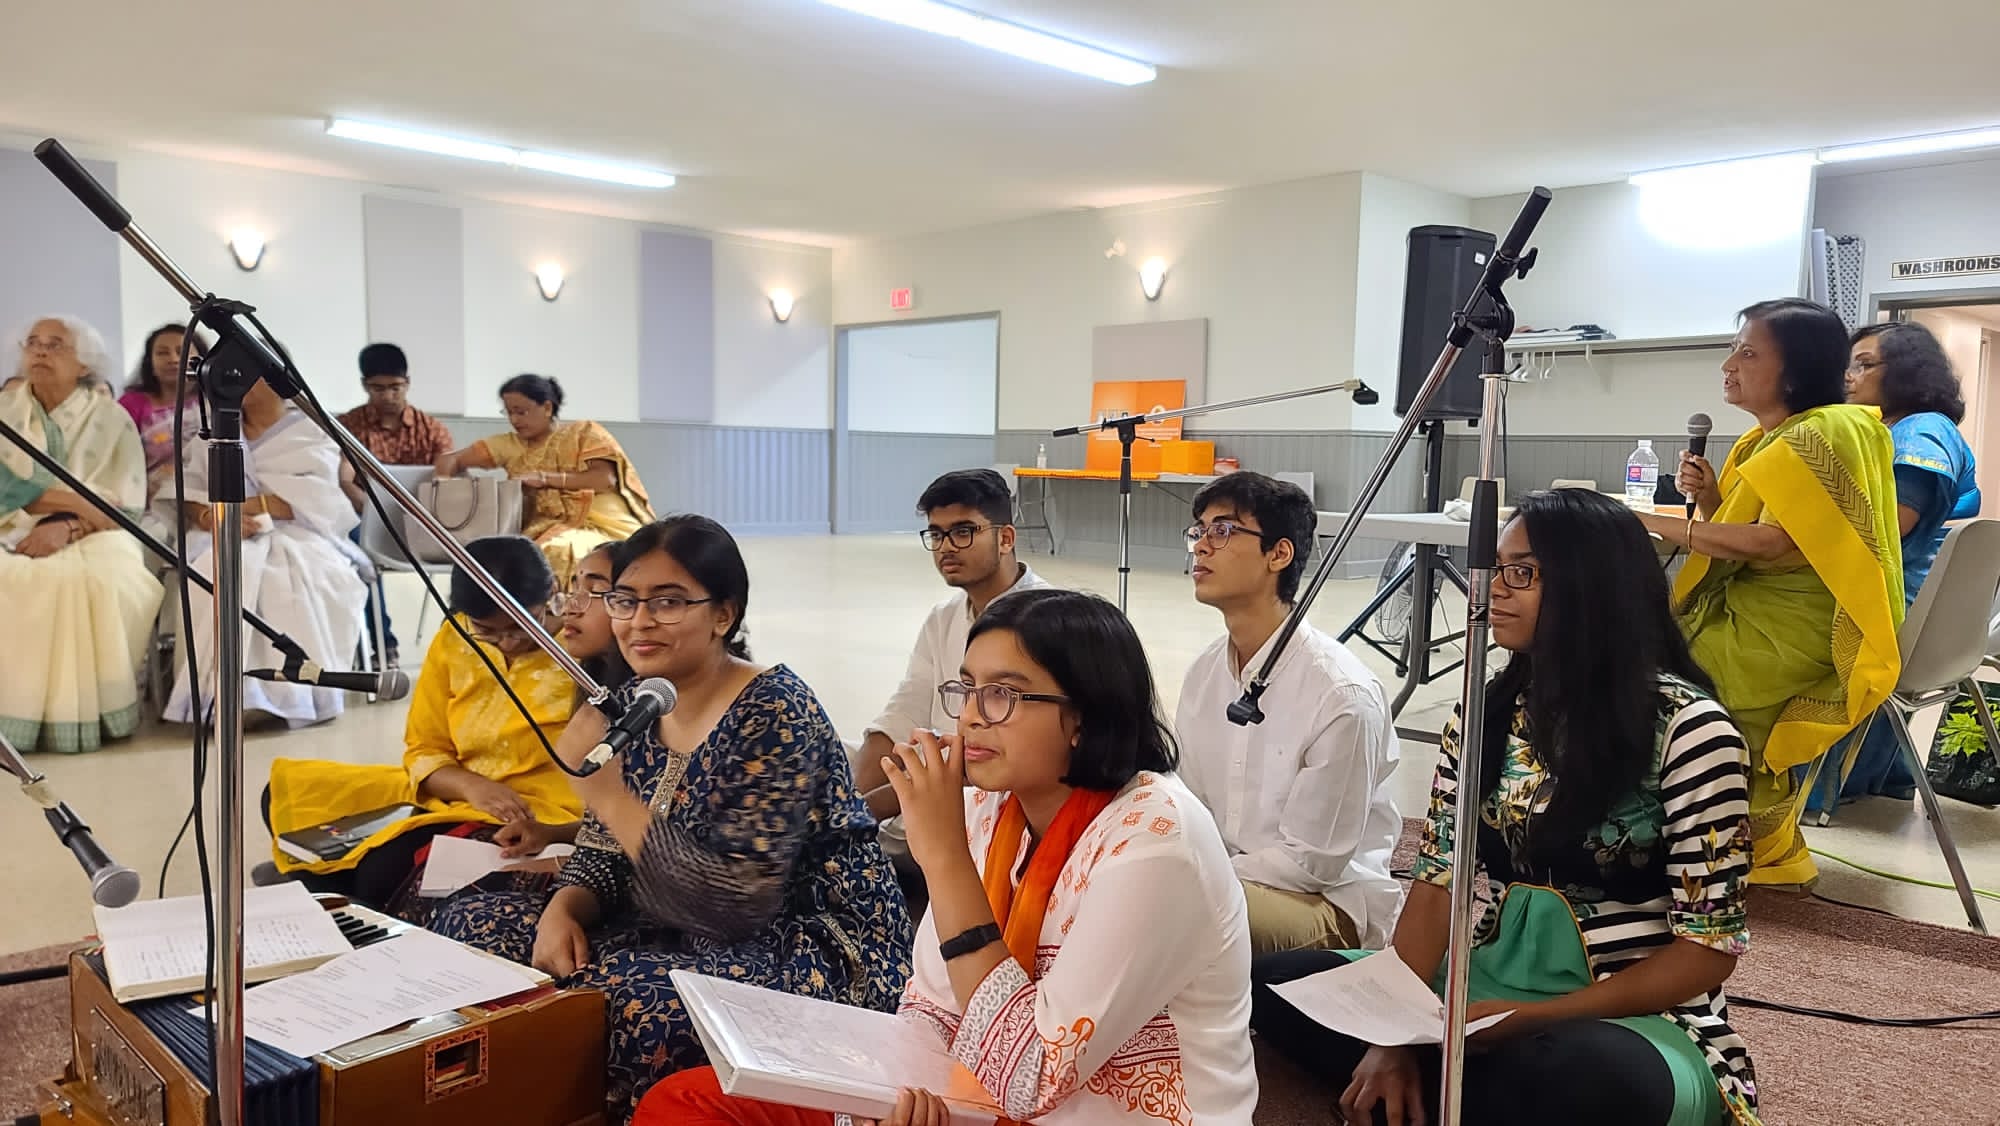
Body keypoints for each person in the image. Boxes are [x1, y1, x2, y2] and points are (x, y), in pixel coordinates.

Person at [641, 587, 1257, 1126]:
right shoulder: (992, 805)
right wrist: (889, 1100)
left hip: (1084, 1112)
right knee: (686, 1102)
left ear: (1082, 717)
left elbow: (1034, 1078)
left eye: (1002, 694)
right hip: (973, 1096)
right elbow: (932, 1006)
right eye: (966, 689)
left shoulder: (1155, 841)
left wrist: (943, 858)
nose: (970, 718)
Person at [1255, 490, 1761, 1126]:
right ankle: (1443, 1083)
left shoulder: (1692, 731)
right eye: (1495, 569)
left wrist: (1527, 1018)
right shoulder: (1483, 712)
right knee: (1273, 984)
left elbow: (1708, 950)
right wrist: (1392, 1034)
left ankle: (1447, 1089)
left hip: (1626, 1015)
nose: (1494, 589)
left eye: (1523, 572)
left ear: (1591, 586)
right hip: (1480, 989)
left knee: (1574, 1078)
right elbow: (1437, 885)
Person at [430, 516, 912, 1124]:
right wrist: (565, 908)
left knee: (634, 998)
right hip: (665, 918)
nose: (639, 621)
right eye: (625, 600)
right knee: (472, 922)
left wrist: (608, 795)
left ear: (723, 615)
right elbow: (602, 849)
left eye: (668, 602)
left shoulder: (775, 711)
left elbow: (734, 905)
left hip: (804, 939)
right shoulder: (638, 700)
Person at [1635, 298, 1902, 887]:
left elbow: (1774, 543)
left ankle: (1710, 841)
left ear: (1796, 370)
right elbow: (1747, 534)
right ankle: (1710, 837)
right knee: (1646, 656)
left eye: (1749, 353)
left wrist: (1650, 522)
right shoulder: (1764, 441)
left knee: (1668, 683)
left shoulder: (1825, 431)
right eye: (1734, 350)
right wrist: (1710, 499)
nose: (1729, 365)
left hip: (1795, 628)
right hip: (1759, 609)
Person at [261, 535, 587, 909]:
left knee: (379, 869)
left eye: (520, 626)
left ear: (552, 591)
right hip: (453, 792)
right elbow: (424, 747)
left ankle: (321, 887)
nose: (507, 643)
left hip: (537, 811)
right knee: (288, 793)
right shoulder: (455, 636)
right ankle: (326, 888)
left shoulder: (580, 649)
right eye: (487, 630)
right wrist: (471, 786)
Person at [1176, 471, 1400, 954]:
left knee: (1170, 910)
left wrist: (1192, 874)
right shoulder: (1204, 674)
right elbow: (1189, 808)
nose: (1201, 546)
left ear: (1279, 554)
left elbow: (1311, 863)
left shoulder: (1341, 693)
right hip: (1224, 881)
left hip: (1322, 902)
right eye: (1199, 531)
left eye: (1223, 530)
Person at [1818, 321, 1985, 807]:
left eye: (1864, 364)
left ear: (1908, 372)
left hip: (1894, 609)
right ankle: (1870, 779)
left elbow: (1889, 528)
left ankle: (1792, 786)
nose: (1848, 375)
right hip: (1921, 615)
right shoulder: (1904, 429)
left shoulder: (1920, 431)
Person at [164, 375, 370, 728]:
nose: (236, 382)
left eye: (247, 374)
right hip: (222, 533)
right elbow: (190, 492)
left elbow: (317, 500)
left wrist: (237, 506)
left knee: (289, 579)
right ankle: (225, 696)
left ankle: (292, 694)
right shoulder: (214, 433)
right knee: (216, 572)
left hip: (300, 532)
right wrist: (210, 516)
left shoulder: (310, 432)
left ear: (276, 378)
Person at [0, 316, 163, 753]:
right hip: (10, 524)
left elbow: (125, 503)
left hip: (99, 531)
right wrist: (73, 502)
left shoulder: (112, 418)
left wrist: (70, 524)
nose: (40, 351)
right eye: (33, 342)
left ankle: (86, 716)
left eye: (55, 344)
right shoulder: (4, 412)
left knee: (102, 578)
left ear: (85, 365)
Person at [853, 468, 1049, 822]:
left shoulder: (1049, 622)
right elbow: (904, 712)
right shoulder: (943, 619)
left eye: (963, 532)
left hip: (1004, 801)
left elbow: (1000, 752)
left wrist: (859, 815)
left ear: (1005, 539)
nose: (946, 546)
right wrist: (849, 801)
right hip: (935, 787)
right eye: (936, 534)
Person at [434, 374, 655, 586]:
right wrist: (443, 489)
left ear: (547, 408)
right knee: (516, 558)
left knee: (557, 552)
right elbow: (449, 460)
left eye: (521, 412)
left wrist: (545, 479)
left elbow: (604, 479)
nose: (514, 420)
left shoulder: (584, 432)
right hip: (547, 529)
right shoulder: (508, 445)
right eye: (509, 412)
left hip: (606, 525)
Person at [336, 343, 458, 665]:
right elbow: (343, 480)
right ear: (365, 385)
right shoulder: (348, 426)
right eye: (378, 388)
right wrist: (370, 509)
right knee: (354, 550)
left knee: (471, 549)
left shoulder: (432, 430)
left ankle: (458, 641)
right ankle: (382, 645)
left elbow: (449, 482)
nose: (388, 396)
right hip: (366, 524)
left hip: (423, 524)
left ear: (408, 383)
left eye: (395, 387)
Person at [117, 322, 206, 512]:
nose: (173, 359)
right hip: (149, 504)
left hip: (206, 500)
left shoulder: (214, 402)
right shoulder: (131, 404)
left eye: (182, 351)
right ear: (150, 362)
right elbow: (118, 459)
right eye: (162, 353)